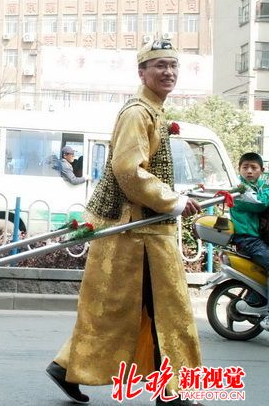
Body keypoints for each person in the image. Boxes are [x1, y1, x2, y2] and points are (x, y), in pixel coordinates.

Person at [46, 37, 204, 406]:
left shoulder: (152, 110)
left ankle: (66, 366)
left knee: (116, 311)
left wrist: (176, 200)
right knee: (167, 309)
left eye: (173, 66)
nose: (168, 72)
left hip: (143, 229)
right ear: (142, 72)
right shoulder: (138, 112)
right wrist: (175, 201)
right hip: (139, 233)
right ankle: (174, 391)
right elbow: (128, 171)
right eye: (160, 66)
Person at [229, 152, 269, 328]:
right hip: (248, 239)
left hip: (256, 238)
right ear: (239, 169)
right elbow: (261, 203)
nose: (249, 171)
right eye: (245, 167)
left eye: (254, 167)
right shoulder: (238, 189)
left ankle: (255, 299)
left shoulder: (261, 186)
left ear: (262, 170)